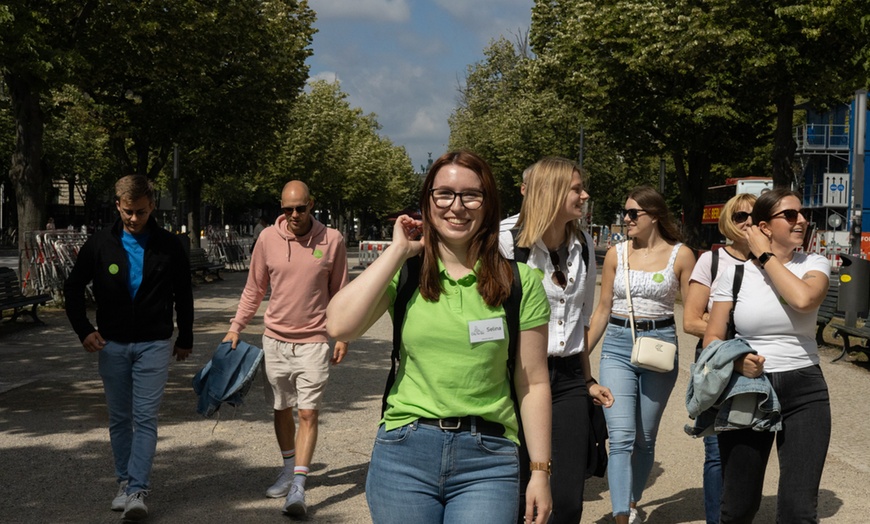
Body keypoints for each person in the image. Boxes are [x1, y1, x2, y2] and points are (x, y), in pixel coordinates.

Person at [326, 150, 553, 523]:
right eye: (444, 194)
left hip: (489, 457)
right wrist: (398, 251)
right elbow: (339, 325)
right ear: (427, 202)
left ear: (489, 203)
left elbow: (533, 382)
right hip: (404, 452)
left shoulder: (521, 282)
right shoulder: (406, 274)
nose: (457, 206)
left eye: (471, 195)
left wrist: (541, 471)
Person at [64, 175, 194, 522]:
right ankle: (123, 481)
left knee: (145, 417)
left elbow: (183, 293)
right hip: (112, 343)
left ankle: (138, 489)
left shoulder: (169, 245)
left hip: (153, 342)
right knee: (120, 419)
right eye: (127, 212)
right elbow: (73, 288)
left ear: (151, 205)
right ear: (118, 206)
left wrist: (185, 338)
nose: (133, 219)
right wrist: (83, 331)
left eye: (139, 211)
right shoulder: (100, 244)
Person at [498, 156, 614, 523]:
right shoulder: (501, 241)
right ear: (550, 192)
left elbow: (577, 321)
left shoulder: (582, 245)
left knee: (566, 501)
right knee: (518, 494)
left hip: (566, 380)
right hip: (511, 376)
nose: (585, 195)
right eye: (577, 188)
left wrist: (587, 379)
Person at [223, 180, 349, 517]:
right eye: (287, 208)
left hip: (314, 341)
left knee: (308, 412)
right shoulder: (267, 239)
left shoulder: (332, 240)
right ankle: (288, 467)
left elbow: (341, 295)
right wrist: (235, 328)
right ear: (281, 208)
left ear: (312, 204)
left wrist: (345, 336)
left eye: (300, 208)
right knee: (281, 408)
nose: (294, 214)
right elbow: (254, 289)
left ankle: (298, 486)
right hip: (275, 340)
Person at [703, 188, 830, 523]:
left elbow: (803, 300)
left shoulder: (814, 264)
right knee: (739, 506)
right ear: (764, 227)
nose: (801, 220)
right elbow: (712, 337)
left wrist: (766, 257)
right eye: (790, 215)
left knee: (798, 511)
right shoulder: (734, 274)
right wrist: (735, 360)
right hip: (748, 389)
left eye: (802, 214)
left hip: (805, 388)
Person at [587, 186, 695, 524]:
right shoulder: (617, 254)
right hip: (618, 344)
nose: (627, 219)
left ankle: (631, 500)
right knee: (620, 436)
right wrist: (578, 358)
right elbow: (602, 309)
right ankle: (621, 515)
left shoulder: (682, 255)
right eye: (625, 213)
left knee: (645, 439)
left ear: (655, 216)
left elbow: (694, 311)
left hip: (660, 345)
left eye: (634, 213)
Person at [682, 192, 756, 524]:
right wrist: (732, 339)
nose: (748, 223)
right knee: (715, 450)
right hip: (719, 364)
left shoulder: (771, 263)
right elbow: (691, 319)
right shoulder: (711, 261)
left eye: (755, 217)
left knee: (752, 445)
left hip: (759, 368)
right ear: (728, 221)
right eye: (740, 217)